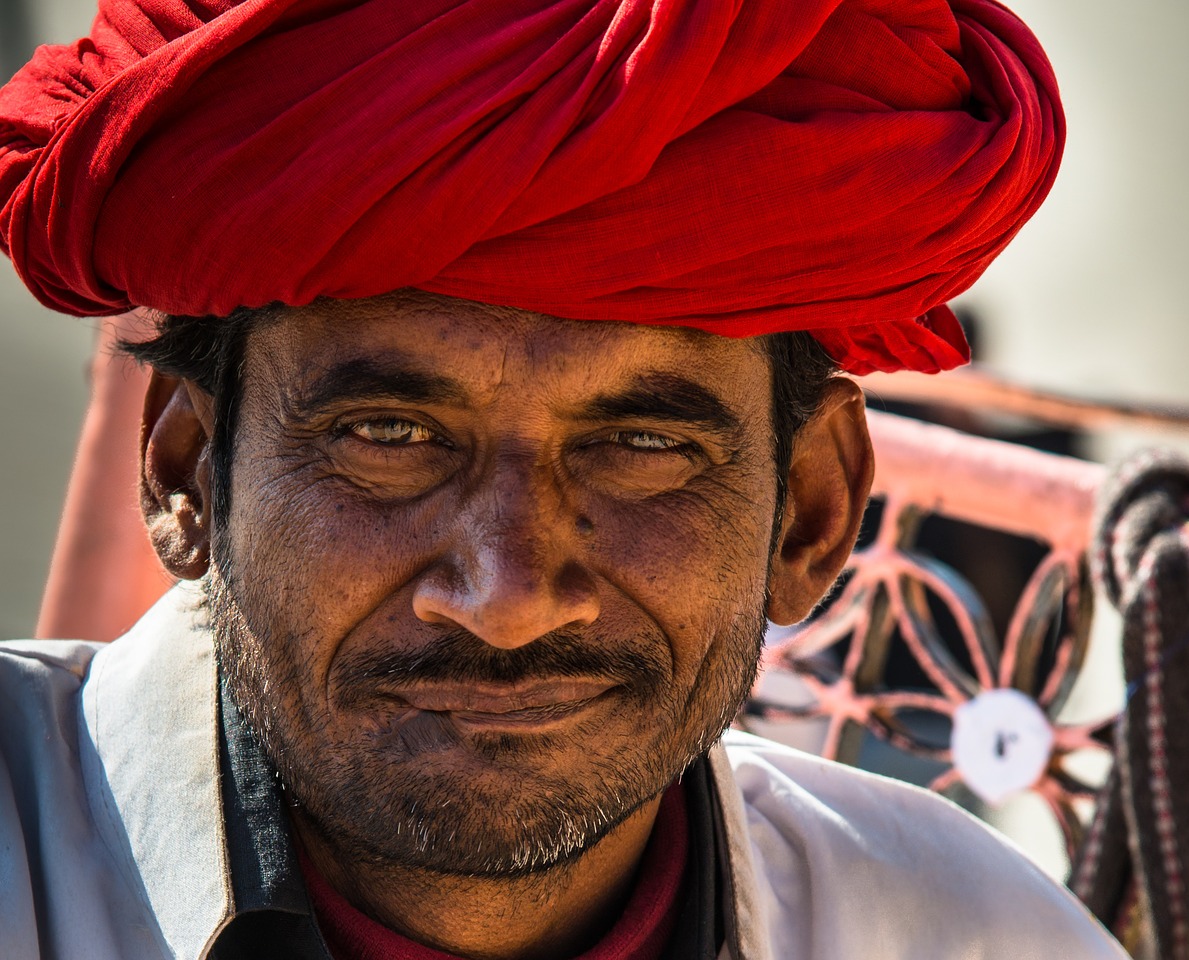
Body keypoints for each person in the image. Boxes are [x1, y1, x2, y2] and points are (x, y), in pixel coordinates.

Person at [0, 1, 1128, 957]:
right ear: (186, 476)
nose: (505, 598)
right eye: (389, 436)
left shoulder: (968, 933)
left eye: (640, 448)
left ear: (812, 516)